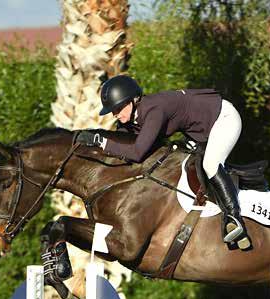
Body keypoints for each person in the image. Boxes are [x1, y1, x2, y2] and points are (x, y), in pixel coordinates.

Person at [76, 75, 251, 249]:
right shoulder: (133, 116)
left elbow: (137, 153)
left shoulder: (154, 110)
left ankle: (234, 219)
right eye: (113, 110)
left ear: (133, 101)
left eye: (118, 108)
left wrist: (100, 141)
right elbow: (122, 142)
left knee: (210, 164)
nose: (115, 114)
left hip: (223, 119)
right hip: (199, 132)